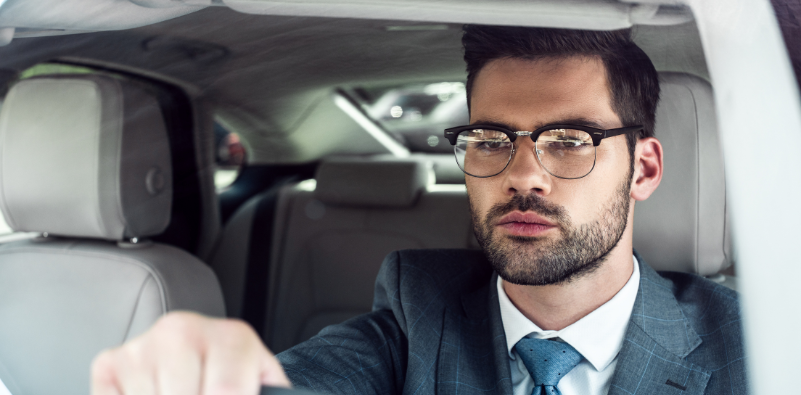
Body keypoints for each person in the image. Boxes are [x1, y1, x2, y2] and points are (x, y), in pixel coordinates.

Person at [90, 25, 746, 395]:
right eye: (489, 139)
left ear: (644, 168)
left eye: (568, 141)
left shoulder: (754, 344)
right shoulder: (415, 308)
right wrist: (217, 372)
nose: (522, 176)